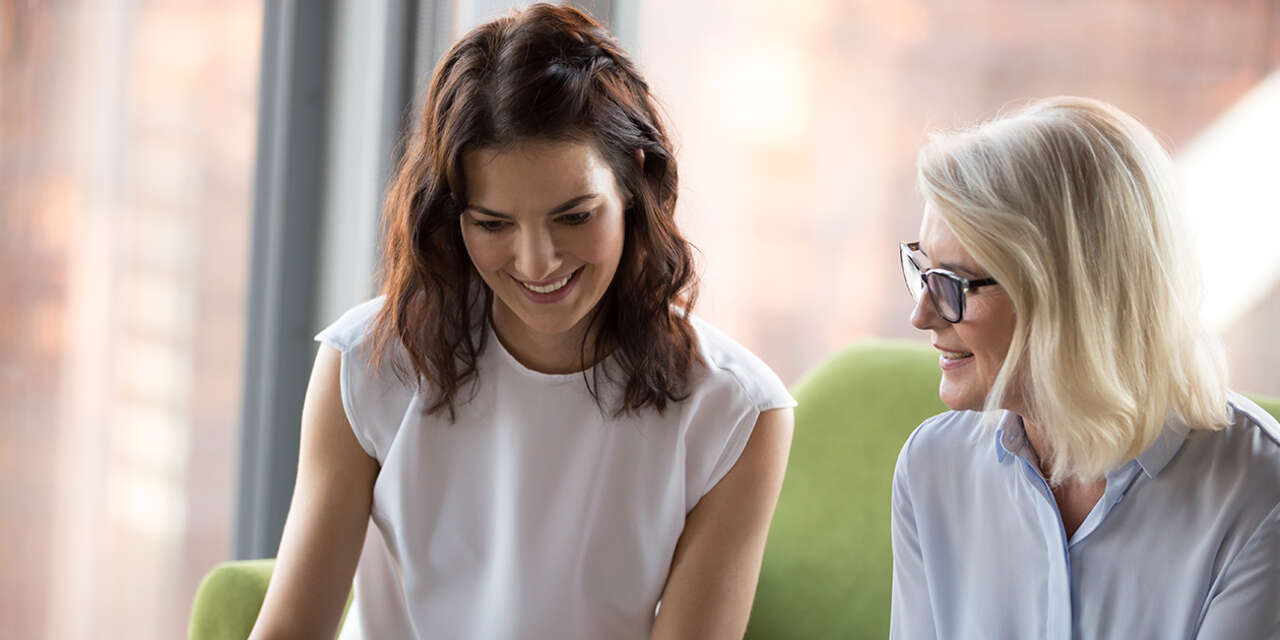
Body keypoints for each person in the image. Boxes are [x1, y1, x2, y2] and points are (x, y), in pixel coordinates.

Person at [247, 5, 795, 639]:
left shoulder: (735, 413)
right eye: (493, 224)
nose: (537, 263)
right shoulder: (368, 363)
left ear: (634, 180)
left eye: (574, 216)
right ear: (453, 216)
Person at [891, 97, 1280, 639]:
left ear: (1069, 297)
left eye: (952, 285)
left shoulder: (1258, 494)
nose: (922, 315)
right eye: (923, 270)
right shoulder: (933, 467)